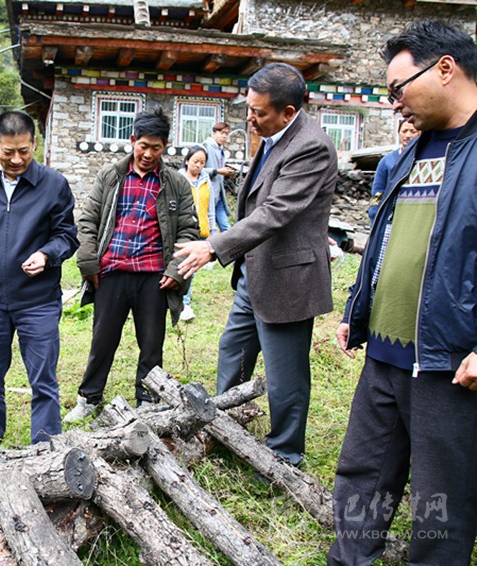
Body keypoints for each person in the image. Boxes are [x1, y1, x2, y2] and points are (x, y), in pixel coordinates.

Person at [328, 20, 477, 564]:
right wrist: (359, 306)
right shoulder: (408, 157)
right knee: (361, 480)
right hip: (385, 356)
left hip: (449, 366)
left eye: (397, 89)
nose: (393, 104)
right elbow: (388, 241)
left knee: (441, 505)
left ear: (445, 69)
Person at [174, 63, 338, 467]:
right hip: (255, 270)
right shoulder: (271, 135)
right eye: (249, 108)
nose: (250, 118)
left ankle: (284, 455)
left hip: (288, 276)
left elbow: (276, 211)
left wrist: (214, 246)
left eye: (259, 112)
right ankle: (223, 429)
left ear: (288, 111)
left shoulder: (311, 147)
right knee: (234, 350)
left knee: (285, 375)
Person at [63, 107, 197, 422]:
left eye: (156, 148)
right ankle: (89, 397)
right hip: (111, 272)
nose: (148, 154)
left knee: (151, 342)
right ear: (133, 140)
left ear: (165, 146)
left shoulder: (176, 184)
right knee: (102, 340)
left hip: (153, 276)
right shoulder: (111, 176)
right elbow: (88, 221)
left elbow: (188, 231)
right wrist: (89, 263)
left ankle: (148, 398)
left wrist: (175, 271)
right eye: (143, 146)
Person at [0, 110, 78, 447]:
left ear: (34, 144)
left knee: (43, 378)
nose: (16, 159)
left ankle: (45, 443)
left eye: (23, 151)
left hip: (38, 301)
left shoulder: (54, 185)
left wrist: (47, 254)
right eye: (8, 151)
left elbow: (67, 235)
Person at [179, 145, 211, 322]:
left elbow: (210, 207)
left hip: (201, 230)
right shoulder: (178, 179)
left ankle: (185, 302)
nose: (198, 165)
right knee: (183, 265)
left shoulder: (206, 180)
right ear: (186, 161)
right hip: (184, 230)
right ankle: (181, 301)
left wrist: (212, 231)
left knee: (192, 269)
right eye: (195, 161)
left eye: (202, 163)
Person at [368, 119, 419, 222]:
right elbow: (378, 192)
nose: (408, 135)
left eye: (412, 131)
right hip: (390, 216)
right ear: (398, 133)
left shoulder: (422, 160)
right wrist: (374, 216)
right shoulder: (387, 161)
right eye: (404, 131)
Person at [203, 122, 236, 233]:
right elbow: (198, 170)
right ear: (214, 133)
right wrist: (217, 171)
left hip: (219, 194)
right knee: (210, 229)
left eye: (226, 134)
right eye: (221, 133)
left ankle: (230, 244)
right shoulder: (205, 148)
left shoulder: (220, 150)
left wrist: (228, 174)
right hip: (207, 194)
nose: (224, 136)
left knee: (226, 228)